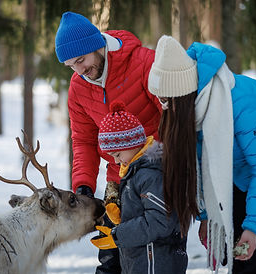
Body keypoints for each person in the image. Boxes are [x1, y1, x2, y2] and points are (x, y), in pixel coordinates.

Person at [147, 35, 256, 274]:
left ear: (182, 94)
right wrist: (206, 217)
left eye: (166, 100)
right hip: (243, 176)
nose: (163, 107)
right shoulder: (194, 109)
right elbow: (200, 166)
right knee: (234, 256)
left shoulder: (241, 102)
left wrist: (253, 228)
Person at [55, 12, 161, 273]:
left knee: (150, 257)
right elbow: (83, 141)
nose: (80, 71)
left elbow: (174, 119)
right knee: (110, 259)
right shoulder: (78, 86)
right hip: (118, 181)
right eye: (71, 65)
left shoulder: (144, 63)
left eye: (81, 60)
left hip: (156, 176)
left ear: (98, 44)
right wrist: (83, 187)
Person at [90, 100, 188, 274]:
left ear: (132, 144)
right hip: (142, 261)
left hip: (156, 262)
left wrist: (119, 235)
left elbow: (159, 220)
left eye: (118, 154)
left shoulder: (150, 174)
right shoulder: (135, 172)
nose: (116, 161)